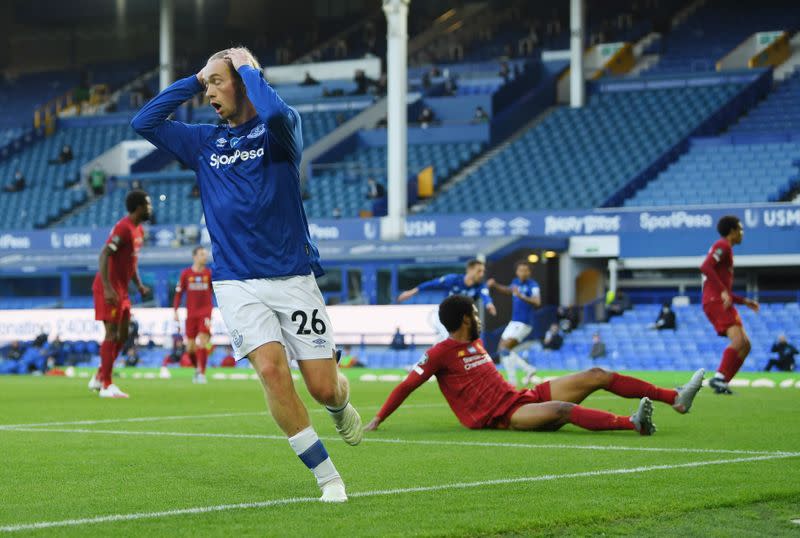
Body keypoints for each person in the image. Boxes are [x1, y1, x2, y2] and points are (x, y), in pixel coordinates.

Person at [131, 46, 361, 502]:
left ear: (244, 81)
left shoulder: (281, 131)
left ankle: (339, 402)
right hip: (236, 281)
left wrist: (251, 71)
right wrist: (194, 81)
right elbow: (144, 123)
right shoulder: (203, 142)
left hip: (292, 277)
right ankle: (328, 477)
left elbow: (274, 112)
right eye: (208, 84)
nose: (210, 92)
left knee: (322, 386)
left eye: (219, 82)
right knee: (273, 373)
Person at [365, 296, 704, 435]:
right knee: (562, 409)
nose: (480, 318)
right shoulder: (441, 352)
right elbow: (407, 385)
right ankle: (634, 424)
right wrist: (377, 420)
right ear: (466, 318)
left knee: (597, 375)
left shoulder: (476, 343)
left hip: (520, 397)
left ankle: (673, 397)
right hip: (504, 416)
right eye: (476, 313)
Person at [88, 189, 152, 398]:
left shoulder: (138, 231)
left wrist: (139, 286)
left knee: (123, 335)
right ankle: (106, 385)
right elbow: (105, 254)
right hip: (108, 289)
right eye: (148, 204)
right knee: (111, 334)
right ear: (139, 207)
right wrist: (107, 287)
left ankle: (100, 375)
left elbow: (131, 263)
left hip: (122, 291)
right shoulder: (123, 228)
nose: (150, 208)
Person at [700, 216, 759, 394]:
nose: (742, 233)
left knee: (746, 345)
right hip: (715, 301)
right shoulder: (722, 245)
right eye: (740, 229)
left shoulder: (727, 249)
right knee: (739, 340)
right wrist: (723, 291)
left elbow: (722, 287)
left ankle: (723, 381)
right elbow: (705, 266)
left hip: (720, 300)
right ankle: (718, 378)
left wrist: (744, 301)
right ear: (732, 231)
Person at [397, 259, 497, 341]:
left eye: (483, 271)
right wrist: (411, 292)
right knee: (452, 340)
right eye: (479, 271)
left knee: (442, 345)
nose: (482, 274)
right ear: (470, 270)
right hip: (444, 315)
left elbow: (485, 296)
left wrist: (489, 304)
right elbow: (432, 284)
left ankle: (423, 364)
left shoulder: (480, 286)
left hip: (460, 319)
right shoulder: (453, 279)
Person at [487, 261, 540, 387]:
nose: (523, 272)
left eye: (525, 270)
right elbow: (508, 291)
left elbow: (537, 302)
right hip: (514, 321)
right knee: (502, 349)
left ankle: (516, 377)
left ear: (529, 272)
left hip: (524, 322)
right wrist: (495, 285)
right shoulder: (515, 282)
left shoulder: (533, 285)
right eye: (520, 270)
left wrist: (521, 296)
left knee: (505, 349)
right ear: (517, 272)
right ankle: (523, 373)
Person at [173, 246, 214, 384]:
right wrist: (175, 311)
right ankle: (197, 369)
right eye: (202, 254)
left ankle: (202, 374)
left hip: (205, 313)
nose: (205, 257)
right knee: (190, 348)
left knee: (202, 342)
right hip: (191, 314)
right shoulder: (186, 274)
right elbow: (178, 294)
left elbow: (216, 292)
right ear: (195, 257)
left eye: (206, 254)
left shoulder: (209, 274)